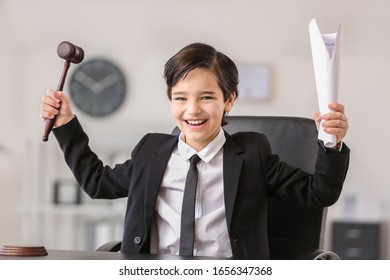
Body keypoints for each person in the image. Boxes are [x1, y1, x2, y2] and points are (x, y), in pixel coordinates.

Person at [40, 42, 350, 259]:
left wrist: (331, 141)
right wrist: (66, 124)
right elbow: (98, 183)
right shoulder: (152, 151)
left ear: (228, 100)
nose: (192, 110)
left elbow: (320, 193)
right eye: (180, 98)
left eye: (206, 97)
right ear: (170, 99)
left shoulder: (252, 154)